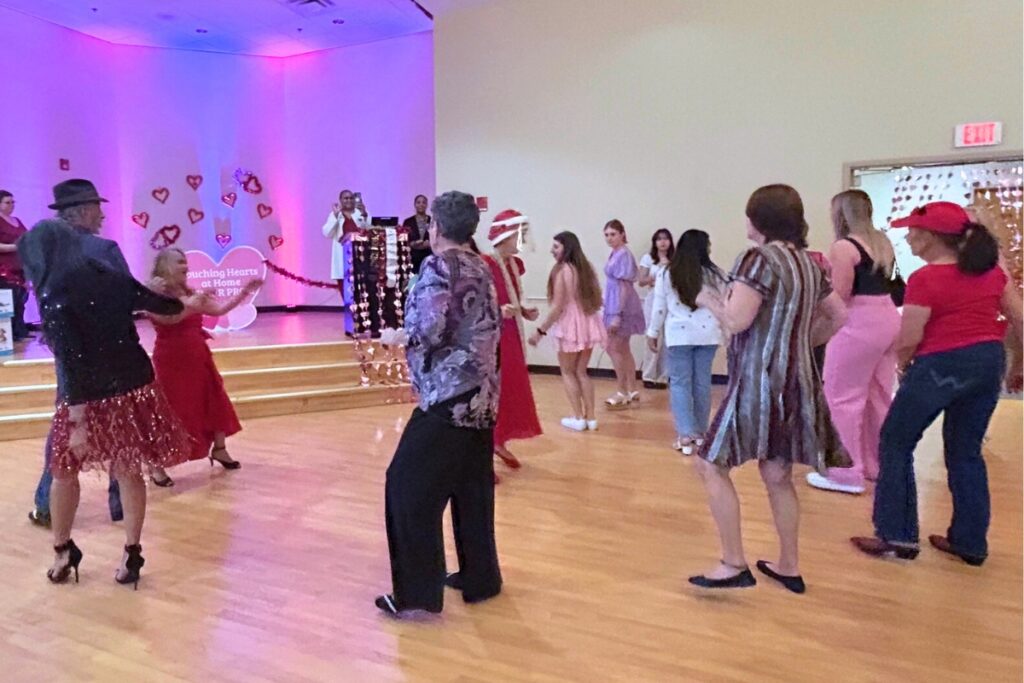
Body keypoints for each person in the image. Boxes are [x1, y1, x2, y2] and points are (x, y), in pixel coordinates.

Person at [690, 184, 849, 593]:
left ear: (758, 219)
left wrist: (708, 300)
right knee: (778, 474)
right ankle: (789, 565)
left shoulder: (757, 258)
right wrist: (797, 343)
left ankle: (732, 562)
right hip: (797, 381)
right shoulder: (807, 262)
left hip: (757, 382)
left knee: (710, 463)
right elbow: (837, 315)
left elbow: (738, 320)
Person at [18, 217, 193, 589]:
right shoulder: (108, 273)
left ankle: (63, 549)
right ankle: (132, 551)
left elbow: (71, 360)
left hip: (87, 392)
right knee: (128, 468)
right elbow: (163, 306)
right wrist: (176, 297)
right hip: (132, 382)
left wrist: (78, 423)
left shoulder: (53, 292)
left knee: (64, 471)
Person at [852, 202, 1023, 566]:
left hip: (940, 365)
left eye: (914, 230)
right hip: (986, 362)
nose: (908, 236)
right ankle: (970, 542)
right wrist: (1019, 363)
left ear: (932, 238)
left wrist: (902, 365)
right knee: (966, 452)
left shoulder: (926, 279)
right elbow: (1019, 318)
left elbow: (911, 335)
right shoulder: (993, 273)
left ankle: (897, 536)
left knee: (895, 442)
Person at [376, 190, 502, 617]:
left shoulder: (438, 265)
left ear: (436, 227)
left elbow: (429, 327)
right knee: (471, 489)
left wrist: (397, 336)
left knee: (405, 486)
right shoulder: (480, 266)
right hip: (483, 394)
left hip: (450, 396)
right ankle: (480, 577)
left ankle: (415, 595)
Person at [28, 180, 132, 528]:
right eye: (98, 208)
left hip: (69, 351)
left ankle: (46, 504)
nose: (102, 215)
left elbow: (45, 302)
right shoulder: (105, 249)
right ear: (85, 211)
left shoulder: (45, 252)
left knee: (66, 424)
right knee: (119, 421)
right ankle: (120, 502)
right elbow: (124, 299)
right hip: (110, 352)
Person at [807, 190, 900, 495]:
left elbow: (841, 295)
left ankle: (844, 471)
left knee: (841, 396)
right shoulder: (881, 242)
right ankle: (877, 464)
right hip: (887, 319)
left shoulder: (844, 247)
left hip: (857, 323)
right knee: (878, 395)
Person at [145, 247, 261, 486]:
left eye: (185, 261)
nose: (185, 266)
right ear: (165, 264)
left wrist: (244, 292)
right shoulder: (153, 292)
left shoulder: (188, 292)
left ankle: (219, 449)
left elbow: (218, 310)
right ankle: (155, 465)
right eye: (179, 262)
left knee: (213, 400)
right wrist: (192, 304)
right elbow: (169, 319)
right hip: (172, 360)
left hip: (198, 356)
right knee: (171, 410)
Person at [645, 230, 727, 454]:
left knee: (680, 383)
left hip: (679, 335)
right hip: (708, 335)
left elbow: (660, 306)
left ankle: (685, 434)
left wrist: (652, 332)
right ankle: (701, 433)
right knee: (702, 382)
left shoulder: (667, 273)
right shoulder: (716, 274)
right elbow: (724, 303)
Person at [482, 209, 543, 472]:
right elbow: (478, 304)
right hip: (494, 338)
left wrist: (523, 310)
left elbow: (511, 299)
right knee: (495, 391)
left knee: (510, 389)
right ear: (506, 236)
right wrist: (498, 311)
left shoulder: (512, 266)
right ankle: (485, 453)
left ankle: (499, 440)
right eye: (519, 235)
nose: (522, 240)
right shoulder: (486, 263)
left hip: (511, 336)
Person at [528, 231, 606, 431]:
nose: (552, 251)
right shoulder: (585, 269)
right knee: (582, 372)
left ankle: (578, 417)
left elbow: (558, 307)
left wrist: (540, 331)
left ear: (566, 247)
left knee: (568, 372)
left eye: (556, 247)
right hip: (587, 322)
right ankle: (591, 418)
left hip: (570, 325)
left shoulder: (563, 271)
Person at [601, 220, 645, 407]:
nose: (609, 238)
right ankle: (632, 388)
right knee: (623, 348)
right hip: (615, 302)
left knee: (613, 347)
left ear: (621, 234)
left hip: (621, 305)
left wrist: (617, 313)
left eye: (613, 234)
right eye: (607, 235)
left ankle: (622, 390)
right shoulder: (616, 253)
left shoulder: (624, 254)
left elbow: (625, 286)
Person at [322, 189, 369, 335]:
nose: (348, 201)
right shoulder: (335, 215)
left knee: (362, 292)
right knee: (346, 293)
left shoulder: (360, 213)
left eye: (350, 198)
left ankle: (363, 321)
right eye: (345, 198)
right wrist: (335, 217)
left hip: (360, 259)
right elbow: (327, 233)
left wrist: (365, 215)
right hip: (343, 261)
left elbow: (369, 231)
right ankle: (352, 323)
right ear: (340, 200)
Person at [638, 228, 673, 388]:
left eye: (666, 239)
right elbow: (641, 280)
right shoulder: (648, 258)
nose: (663, 242)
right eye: (659, 239)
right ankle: (649, 374)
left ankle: (663, 376)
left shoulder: (675, 259)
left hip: (671, 299)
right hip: (653, 297)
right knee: (652, 334)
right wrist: (656, 275)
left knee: (668, 337)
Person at [0, 190, 30, 341]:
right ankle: (8, 335)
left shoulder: (16, 220)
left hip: (20, 266)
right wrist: (15, 247)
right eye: (7, 202)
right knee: (8, 302)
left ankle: (20, 332)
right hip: (4, 269)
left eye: (13, 202)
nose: (11, 205)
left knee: (21, 301)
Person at [402, 194, 432, 274]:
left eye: (424, 202)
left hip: (428, 256)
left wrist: (430, 243)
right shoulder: (408, 222)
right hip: (413, 256)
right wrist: (414, 243)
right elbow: (404, 240)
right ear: (415, 205)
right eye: (418, 202)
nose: (421, 205)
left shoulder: (432, 221)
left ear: (426, 205)